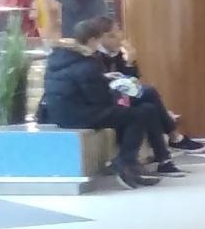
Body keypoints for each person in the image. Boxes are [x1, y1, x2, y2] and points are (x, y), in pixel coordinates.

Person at [38, 15, 176, 185]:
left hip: (59, 112)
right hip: (78, 115)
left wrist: (104, 79)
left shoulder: (59, 57)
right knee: (142, 112)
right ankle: (126, 162)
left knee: (141, 108)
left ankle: (137, 162)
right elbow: (100, 100)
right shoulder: (88, 62)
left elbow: (75, 82)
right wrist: (117, 91)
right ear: (92, 40)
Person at [97, 26, 205, 153]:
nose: (119, 38)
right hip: (105, 101)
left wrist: (130, 62)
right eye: (112, 36)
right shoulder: (95, 57)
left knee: (150, 106)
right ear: (100, 38)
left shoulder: (117, 54)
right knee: (149, 92)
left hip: (121, 96)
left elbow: (132, 82)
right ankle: (174, 137)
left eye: (119, 33)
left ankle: (163, 155)